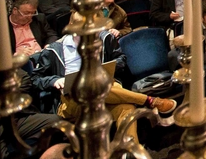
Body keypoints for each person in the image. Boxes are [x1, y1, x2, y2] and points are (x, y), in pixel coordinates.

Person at [32, 29, 176, 144]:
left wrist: (106, 68)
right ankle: (150, 100)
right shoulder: (55, 50)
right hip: (71, 100)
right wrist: (55, 80)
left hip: (104, 95)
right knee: (91, 86)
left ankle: (130, 151)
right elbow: (35, 79)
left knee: (126, 108)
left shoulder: (102, 39)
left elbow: (121, 60)